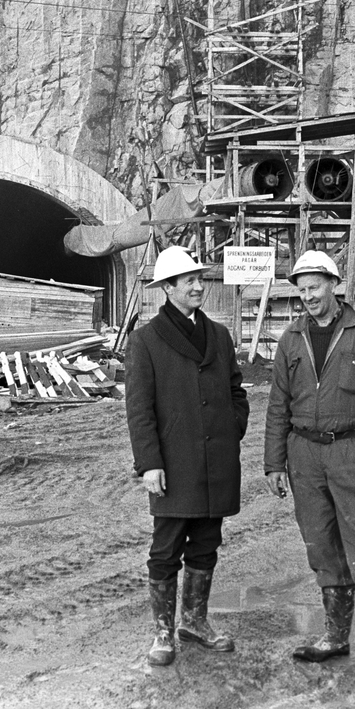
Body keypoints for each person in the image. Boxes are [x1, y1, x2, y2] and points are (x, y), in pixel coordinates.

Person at [264, 249, 355, 687]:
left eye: (314, 286)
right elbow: (277, 406)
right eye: (301, 289)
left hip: (353, 450)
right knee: (321, 543)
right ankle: (335, 635)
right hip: (304, 455)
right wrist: (274, 462)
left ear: (332, 284)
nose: (308, 296)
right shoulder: (291, 338)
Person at [125, 245, 250, 666]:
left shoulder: (218, 334)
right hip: (172, 466)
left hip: (216, 462)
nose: (198, 285)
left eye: (199, 278)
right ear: (168, 289)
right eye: (189, 281)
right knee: (166, 549)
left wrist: (233, 427)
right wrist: (149, 463)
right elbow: (139, 409)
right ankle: (163, 633)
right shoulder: (145, 341)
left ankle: (194, 622)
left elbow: (236, 390)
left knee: (206, 545)